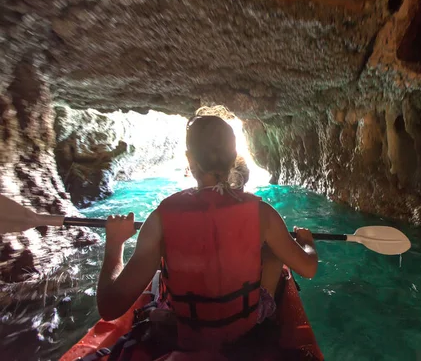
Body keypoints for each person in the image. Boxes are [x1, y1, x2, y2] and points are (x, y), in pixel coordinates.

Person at [96, 115, 318, 352]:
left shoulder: (160, 219)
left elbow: (109, 308)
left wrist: (115, 244)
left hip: (186, 334)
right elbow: (308, 268)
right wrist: (307, 244)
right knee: (274, 256)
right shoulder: (263, 214)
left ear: (190, 160)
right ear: (234, 158)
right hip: (243, 330)